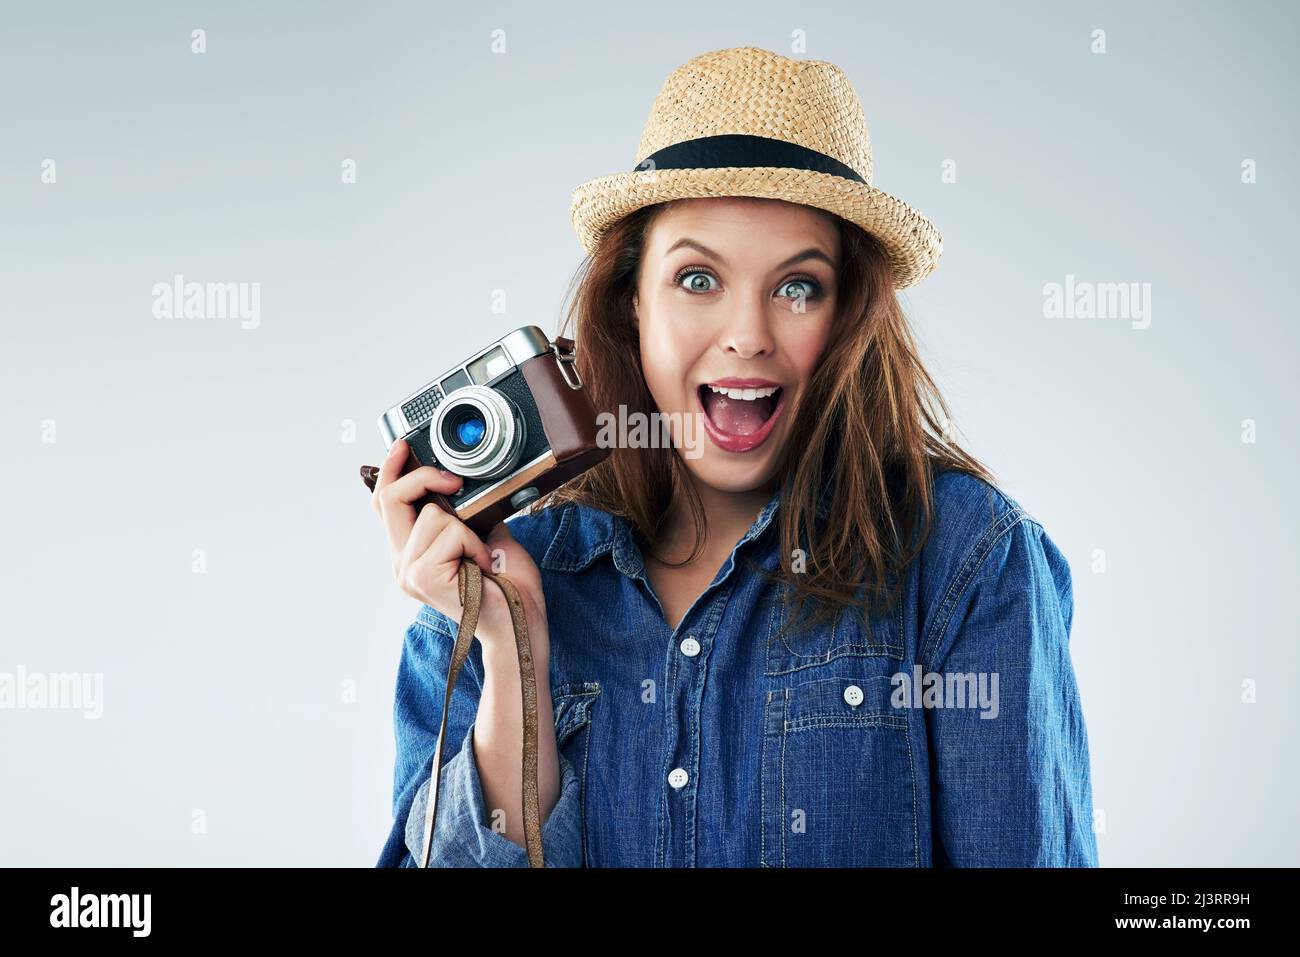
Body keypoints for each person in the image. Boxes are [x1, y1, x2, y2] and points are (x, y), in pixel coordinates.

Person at [372, 46, 1098, 867]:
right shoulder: (482, 590)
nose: (748, 333)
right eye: (696, 279)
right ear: (632, 304)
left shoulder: (968, 563)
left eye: (798, 286)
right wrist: (515, 656)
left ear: (850, 313)